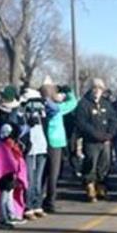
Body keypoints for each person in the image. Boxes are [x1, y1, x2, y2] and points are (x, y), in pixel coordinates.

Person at [75, 78, 117, 202]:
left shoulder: (106, 103)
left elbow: (113, 120)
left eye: (100, 88)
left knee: (104, 165)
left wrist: (110, 134)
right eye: (95, 88)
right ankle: (90, 188)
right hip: (91, 141)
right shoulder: (83, 104)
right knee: (90, 164)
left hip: (105, 141)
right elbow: (81, 123)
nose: (97, 91)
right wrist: (95, 134)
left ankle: (101, 187)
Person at [41, 83, 78, 213]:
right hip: (54, 142)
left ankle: (36, 199)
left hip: (41, 141)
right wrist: (68, 91)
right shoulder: (55, 108)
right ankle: (50, 201)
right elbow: (73, 103)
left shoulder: (40, 105)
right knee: (53, 173)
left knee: (41, 172)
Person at [21, 89, 49, 220]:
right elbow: (18, 132)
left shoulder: (42, 113)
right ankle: (28, 206)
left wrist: (45, 103)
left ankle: (38, 204)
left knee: (38, 179)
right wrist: (27, 124)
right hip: (29, 150)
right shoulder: (21, 113)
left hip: (41, 148)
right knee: (30, 179)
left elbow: (55, 111)